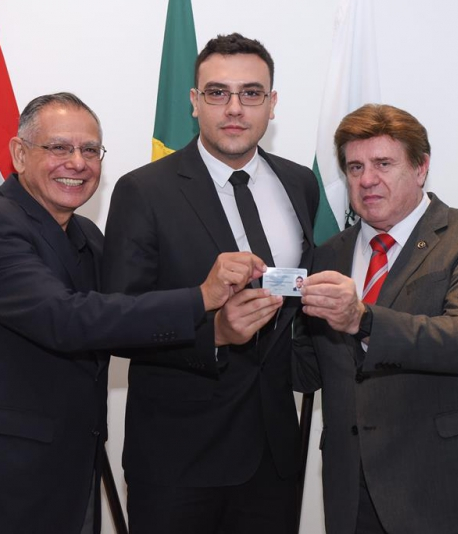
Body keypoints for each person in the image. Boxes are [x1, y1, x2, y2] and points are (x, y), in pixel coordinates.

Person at [0, 92, 265, 534]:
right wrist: (201, 296)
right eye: (59, 147)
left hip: (71, 475)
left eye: (90, 150)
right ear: (19, 154)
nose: (78, 163)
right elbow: (66, 319)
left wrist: (217, 331)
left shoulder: (86, 235)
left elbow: (121, 323)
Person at [102, 34, 319, 534]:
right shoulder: (143, 190)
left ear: (272, 103)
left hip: (274, 455)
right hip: (179, 458)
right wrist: (214, 333)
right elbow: (118, 320)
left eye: (251, 93)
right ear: (194, 102)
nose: (235, 108)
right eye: (218, 92)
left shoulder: (299, 184)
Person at [293, 103, 458, 534]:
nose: (367, 179)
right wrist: (246, 325)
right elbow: (310, 368)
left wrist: (363, 318)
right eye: (355, 167)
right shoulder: (327, 256)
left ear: (421, 168)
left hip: (454, 491)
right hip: (355, 496)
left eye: (383, 164)